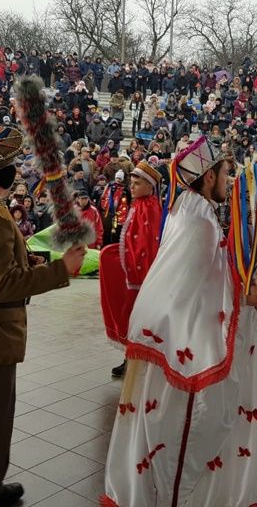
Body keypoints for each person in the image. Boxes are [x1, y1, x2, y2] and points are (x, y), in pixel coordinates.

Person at [102, 137, 257, 507]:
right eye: (225, 173)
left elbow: (205, 279)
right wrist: (246, 297)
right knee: (182, 435)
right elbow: (202, 290)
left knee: (159, 430)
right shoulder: (199, 221)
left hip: (166, 337)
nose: (228, 180)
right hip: (179, 343)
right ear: (208, 176)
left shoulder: (190, 209)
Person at [0, 127, 86, 507]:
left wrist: (26, 259)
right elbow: (3, 285)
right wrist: (62, 270)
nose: (17, 173)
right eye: (12, 167)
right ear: (2, 174)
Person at [99, 160, 163, 378]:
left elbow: (147, 244)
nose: (132, 187)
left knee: (136, 316)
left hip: (140, 274)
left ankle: (137, 360)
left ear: (149, 185)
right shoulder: (139, 203)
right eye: (131, 182)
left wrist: (137, 274)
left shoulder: (150, 206)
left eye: (137, 183)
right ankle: (131, 357)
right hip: (132, 269)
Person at [100, 169, 130, 245]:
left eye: (120, 178)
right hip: (108, 212)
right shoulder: (109, 187)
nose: (118, 180)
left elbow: (125, 204)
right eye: (117, 178)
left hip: (117, 214)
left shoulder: (124, 190)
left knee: (116, 231)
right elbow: (103, 198)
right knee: (106, 230)